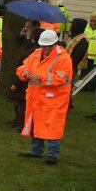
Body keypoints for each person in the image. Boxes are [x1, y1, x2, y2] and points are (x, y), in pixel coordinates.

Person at [17, 29, 73, 164]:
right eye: (43, 46)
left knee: (53, 126)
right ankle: (35, 151)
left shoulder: (63, 58)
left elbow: (61, 78)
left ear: (55, 44)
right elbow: (22, 67)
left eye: (48, 46)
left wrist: (39, 77)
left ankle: (52, 155)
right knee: (36, 124)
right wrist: (24, 73)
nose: (46, 48)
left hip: (55, 99)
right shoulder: (36, 54)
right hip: (36, 97)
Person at [65, 18, 89, 112]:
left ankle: (68, 106)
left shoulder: (82, 40)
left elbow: (77, 56)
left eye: (72, 25)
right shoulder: (73, 36)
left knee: (67, 87)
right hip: (65, 65)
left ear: (76, 27)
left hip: (70, 67)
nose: (70, 26)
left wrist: (68, 66)